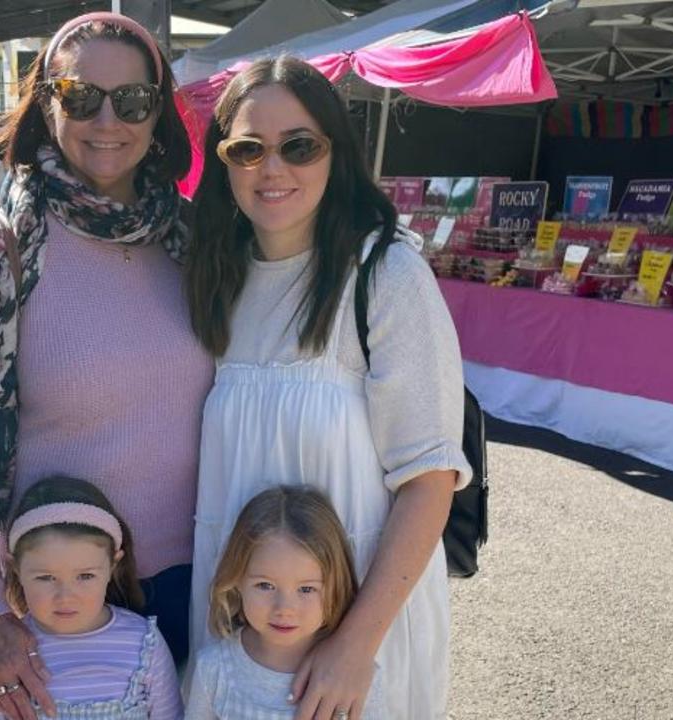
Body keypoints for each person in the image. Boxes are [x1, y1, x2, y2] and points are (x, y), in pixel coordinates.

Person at [0, 12, 205, 720]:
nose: (107, 119)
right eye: (79, 96)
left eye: (131, 100)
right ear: (45, 104)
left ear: (158, 113)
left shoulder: (191, 239)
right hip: (61, 599)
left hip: (200, 582)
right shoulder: (5, 249)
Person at [186, 57, 472, 720]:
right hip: (242, 633)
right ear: (222, 159)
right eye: (248, 147)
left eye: (299, 145)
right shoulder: (215, 279)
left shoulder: (384, 273)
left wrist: (354, 645)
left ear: (334, 153)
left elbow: (429, 477)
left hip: (357, 636)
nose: (272, 167)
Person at [0, 476, 182, 719]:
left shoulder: (145, 644)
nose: (65, 597)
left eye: (85, 576)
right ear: (15, 568)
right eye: (46, 577)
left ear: (113, 565)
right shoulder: (3, 654)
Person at [185, 486, 377, 719]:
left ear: (336, 587)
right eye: (265, 586)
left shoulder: (352, 675)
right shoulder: (215, 670)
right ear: (236, 580)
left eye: (306, 589)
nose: (284, 608)